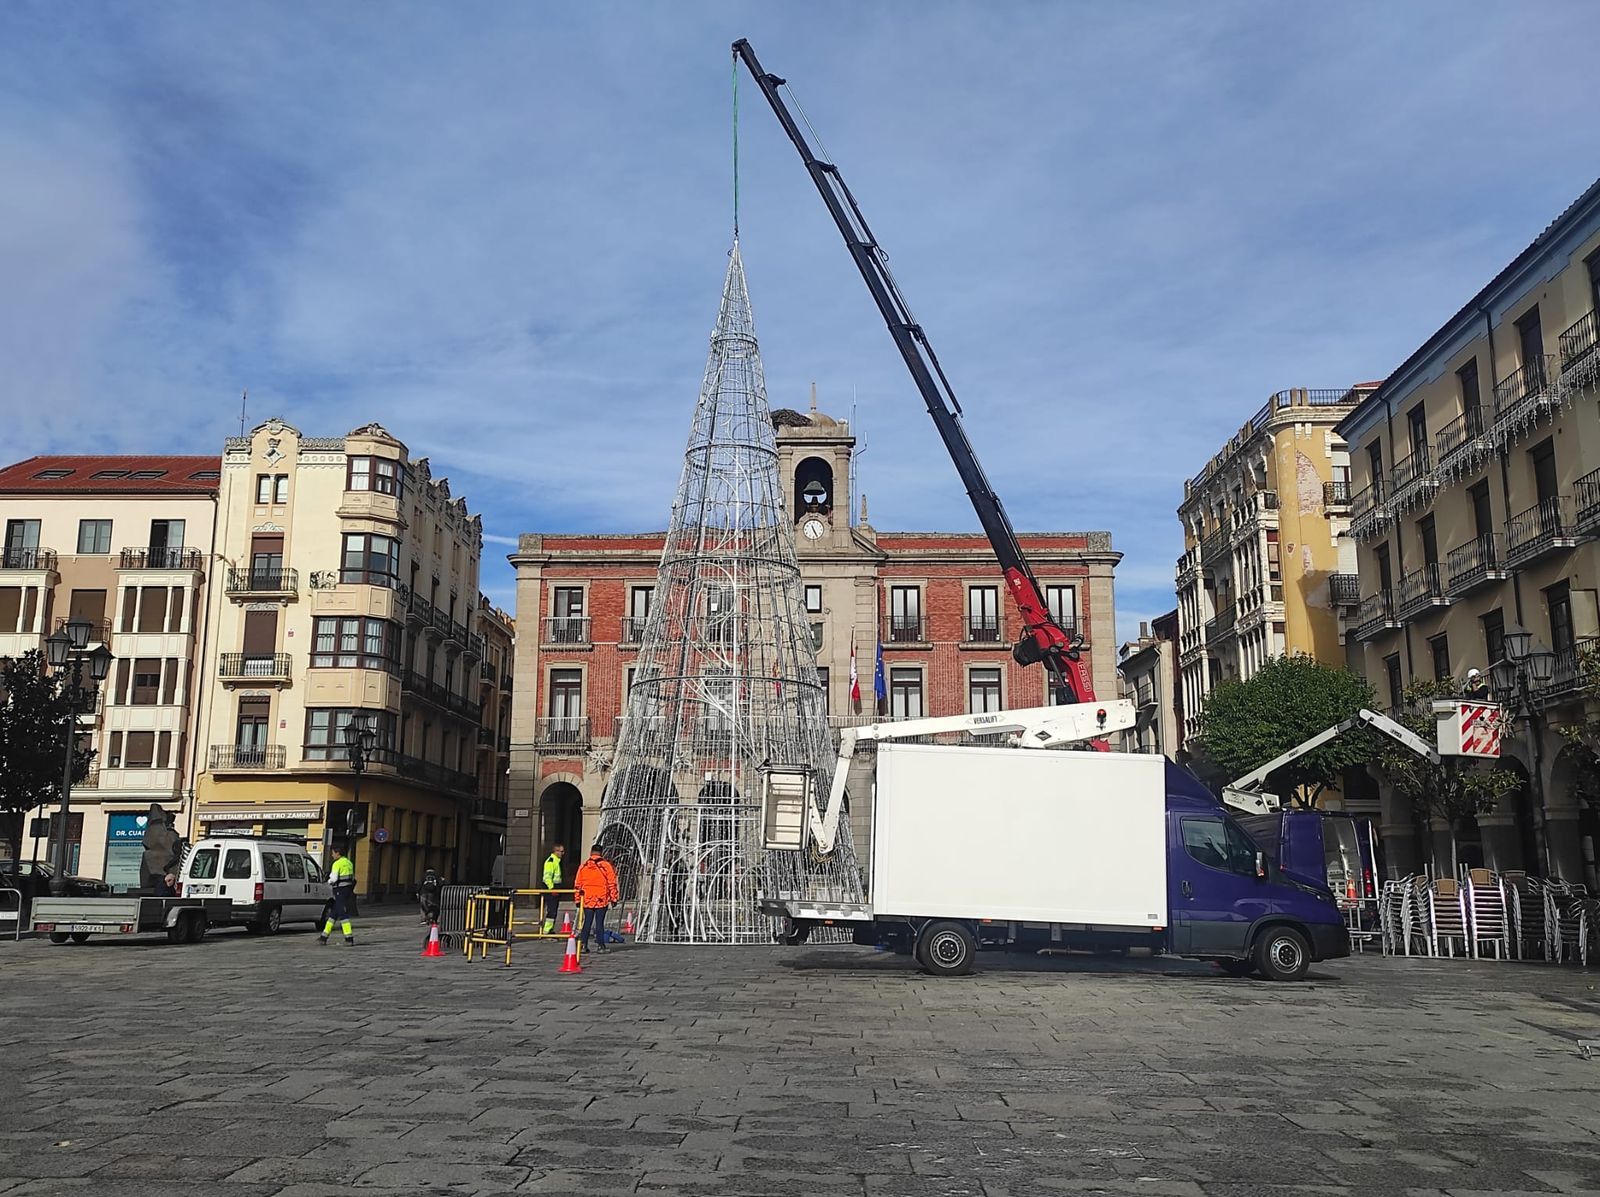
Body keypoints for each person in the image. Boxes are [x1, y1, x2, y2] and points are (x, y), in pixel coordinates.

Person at [573, 843, 618, 953]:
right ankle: (600, 946)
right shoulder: (606, 866)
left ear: (591, 852)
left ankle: (583, 945)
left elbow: (577, 885)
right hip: (601, 898)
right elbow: (612, 883)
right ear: (601, 853)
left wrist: (578, 899)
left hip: (587, 899)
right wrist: (614, 898)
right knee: (599, 923)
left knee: (587, 922)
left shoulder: (583, 866)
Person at [320, 845, 357, 946]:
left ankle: (349, 938)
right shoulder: (349, 862)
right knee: (333, 914)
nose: (332, 855)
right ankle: (324, 936)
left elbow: (334, 879)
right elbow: (352, 877)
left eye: (333, 853)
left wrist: (328, 881)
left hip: (339, 890)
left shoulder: (337, 864)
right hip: (347, 890)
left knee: (342, 913)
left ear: (337, 853)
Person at [541, 843, 566, 934]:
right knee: (551, 910)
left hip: (555, 889)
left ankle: (549, 929)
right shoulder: (551, 861)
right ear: (556, 851)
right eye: (561, 851)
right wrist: (552, 889)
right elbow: (547, 877)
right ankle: (547, 931)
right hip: (551, 889)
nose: (563, 853)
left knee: (554, 910)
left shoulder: (557, 861)